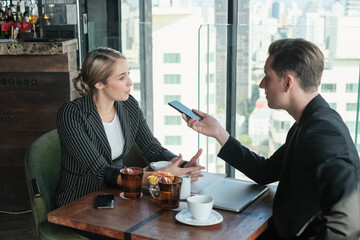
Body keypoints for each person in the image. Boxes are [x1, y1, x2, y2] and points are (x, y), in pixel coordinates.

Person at [183, 38, 360, 239]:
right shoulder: (309, 122)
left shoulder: (322, 133)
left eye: (267, 76)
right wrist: (219, 133)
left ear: (287, 82)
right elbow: (265, 171)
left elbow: (348, 220)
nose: (261, 84)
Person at [55, 47, 204, 208]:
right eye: (121, 77)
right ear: (99, 83)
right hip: (81, 201)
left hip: (120, 193)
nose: (130, 82)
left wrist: (182, 165)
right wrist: (160, 175)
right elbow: (100, 170)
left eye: (128, 74)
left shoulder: (128, 105)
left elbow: (152, 148)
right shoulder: (71, 114)